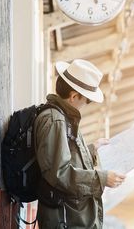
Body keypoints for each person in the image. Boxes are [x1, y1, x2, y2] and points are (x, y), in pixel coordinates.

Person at [34, 59, 125, 228]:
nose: (86, 104)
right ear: (74, 96)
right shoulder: (56, 121)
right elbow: (59, 174)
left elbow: (63, 158)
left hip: (71, 218)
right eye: (87, 100)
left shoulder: (64, 119)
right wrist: (102, 179)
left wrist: (91, 149)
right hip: (66, 220)